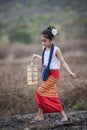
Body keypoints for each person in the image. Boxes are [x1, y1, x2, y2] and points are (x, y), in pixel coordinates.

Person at [31, 26, 77, 122]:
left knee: (40, 92)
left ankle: (40, 115)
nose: (43, 43)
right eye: (41, 41)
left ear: (52, 39)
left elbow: (63, 62)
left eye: (45, 41)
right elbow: (46, 60)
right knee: (53, 95)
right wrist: (37, 56)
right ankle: (63, 116)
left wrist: (70, 72)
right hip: (47, 74)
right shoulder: (44, 48)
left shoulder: (56, 49)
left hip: (54, 75)